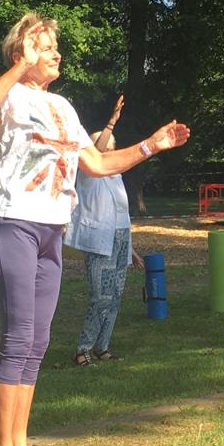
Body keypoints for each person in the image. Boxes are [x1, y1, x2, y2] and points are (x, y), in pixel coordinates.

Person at [0, 12, 190, 446]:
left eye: (53, 47)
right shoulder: (7, 95)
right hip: (15, 222)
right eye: (46, 46)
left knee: (39, 339)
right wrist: (14, 69)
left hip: (51, 230)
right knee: (19, 334)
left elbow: (99, 163)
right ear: (21, 52)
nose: (57, 54)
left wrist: (152, 145)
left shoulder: (63, 107)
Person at [64, 95, 144, 366]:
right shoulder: (89, 172)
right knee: (101, 297)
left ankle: (102, 346)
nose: (106, 147)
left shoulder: (116, 176)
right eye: (102, 143)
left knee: (116, 297)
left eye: (110, 143)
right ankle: (82, 349)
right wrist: (111, 121)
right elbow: (95, 153)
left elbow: (120, 216)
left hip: (120, 239)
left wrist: (130, 248)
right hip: (100, 242)